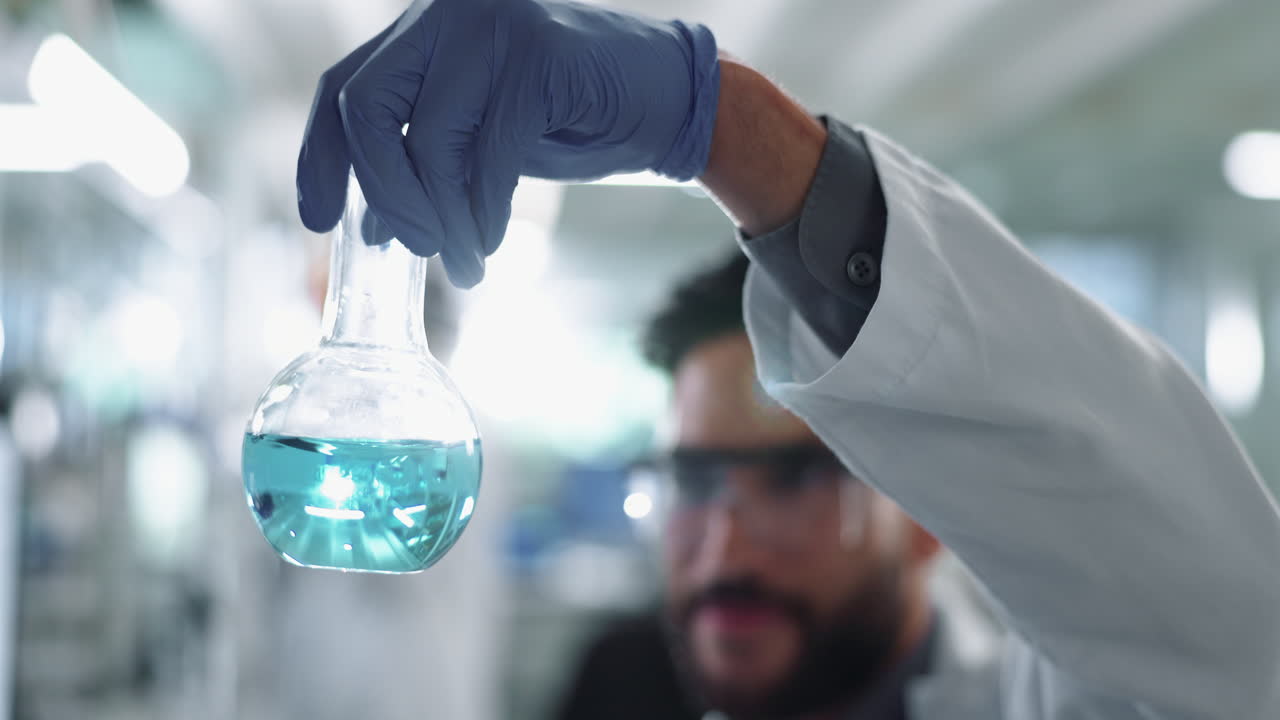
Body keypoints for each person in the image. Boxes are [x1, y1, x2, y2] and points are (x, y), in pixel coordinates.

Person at [295, 1, 1280, 718]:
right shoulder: (617, 687)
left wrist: (721, 122)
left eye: (790, 480)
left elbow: (1228, 628)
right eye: (692, 480)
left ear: (927, 521)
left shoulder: (1058, 704)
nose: (723, 548)